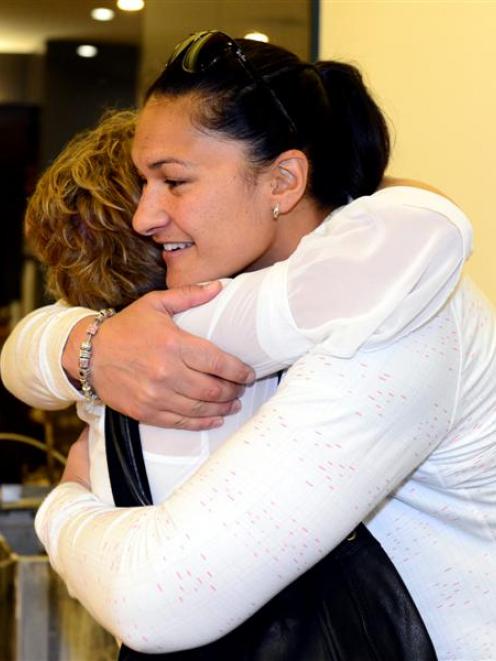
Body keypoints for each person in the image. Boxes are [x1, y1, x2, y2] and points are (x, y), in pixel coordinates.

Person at [2, 31, 494, 660]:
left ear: (284, 180)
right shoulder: (243, 294)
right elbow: (31, 350)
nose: (143, 217)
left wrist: (63, 507)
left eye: (174, 181)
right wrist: (83, 343)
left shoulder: (403, 312)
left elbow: (160, 600)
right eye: (142, 183)